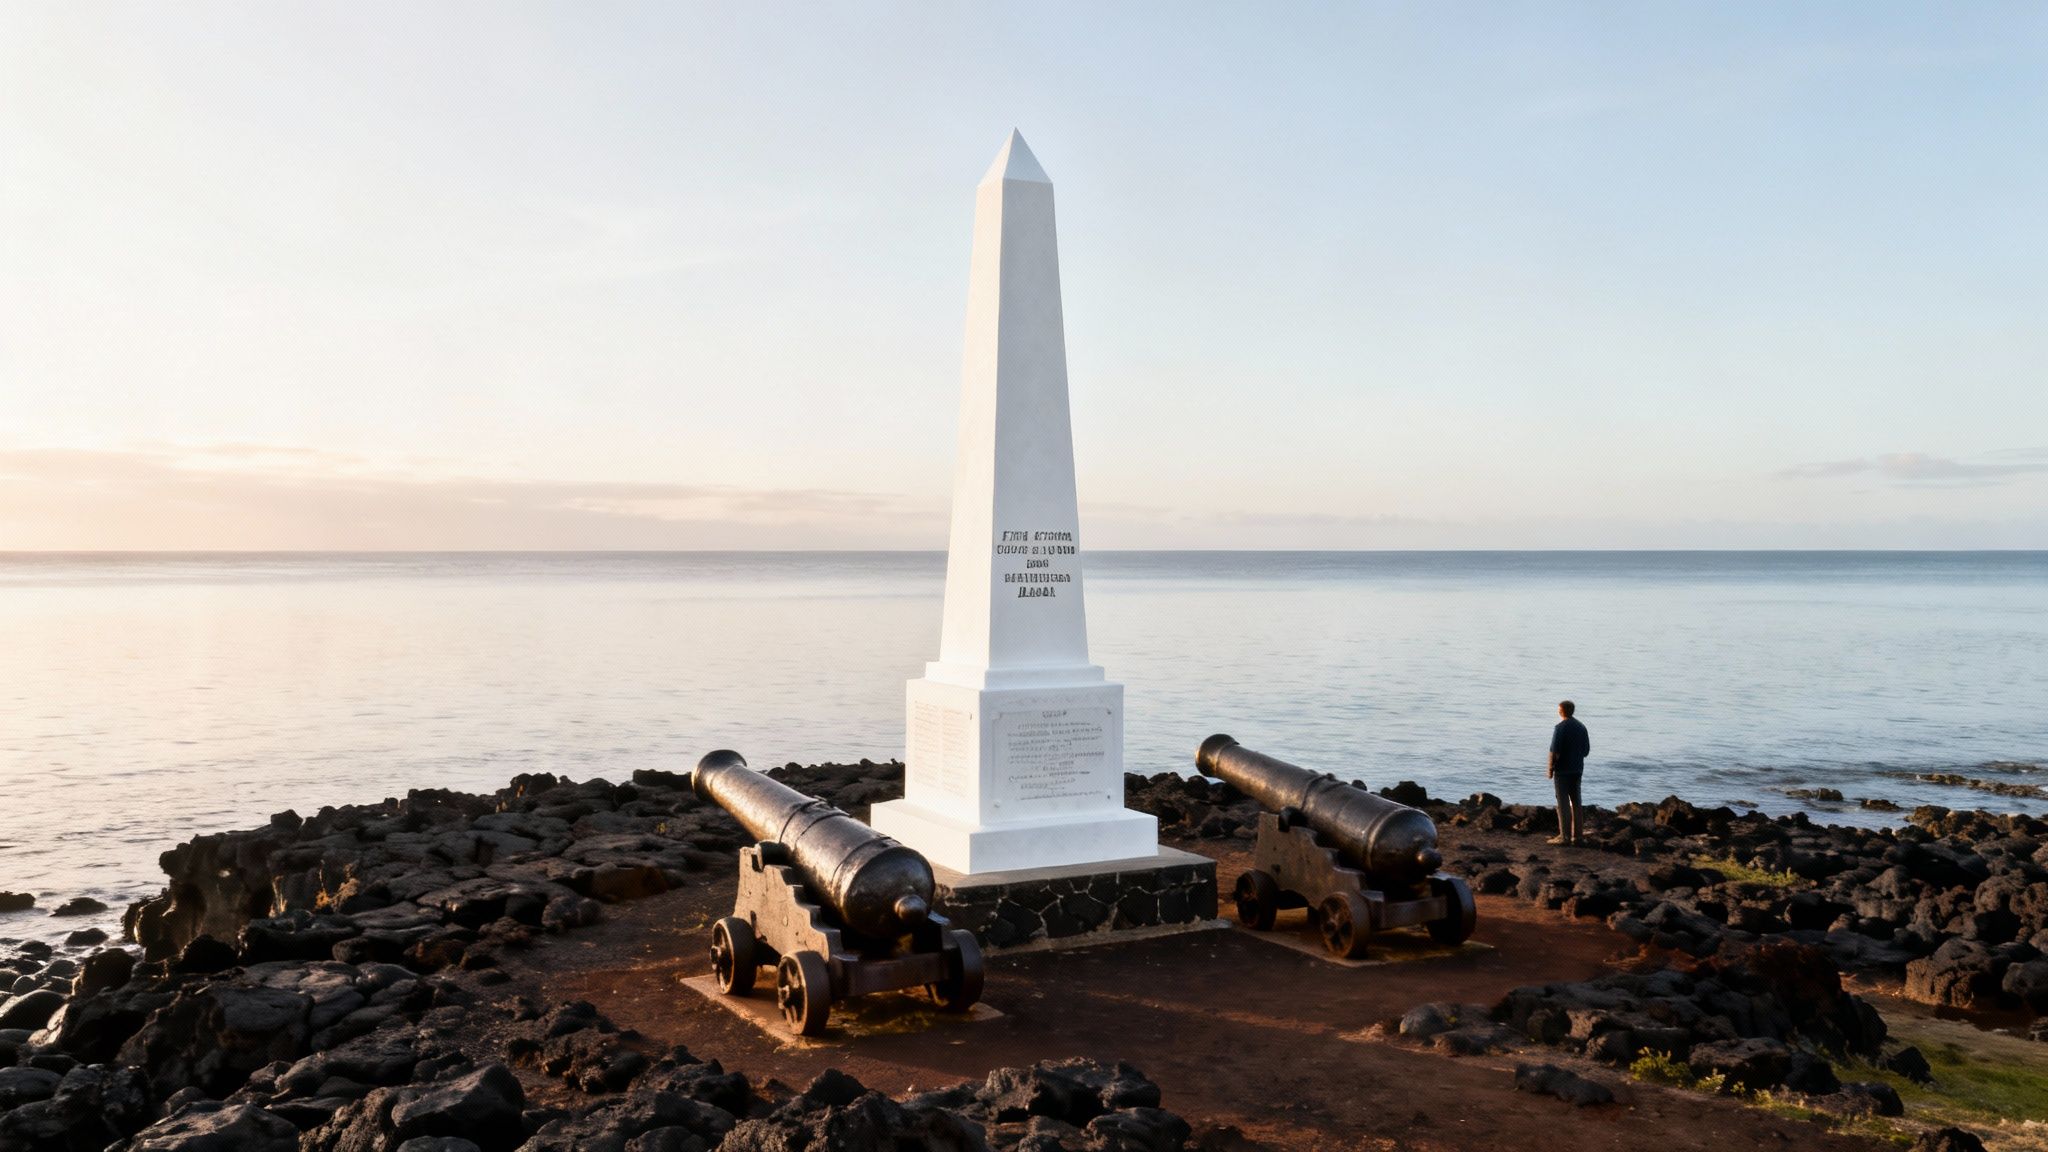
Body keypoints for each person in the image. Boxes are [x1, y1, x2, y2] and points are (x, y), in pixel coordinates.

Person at [1547, 700, 1590, 845]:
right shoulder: (1581, 727)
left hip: (1563, 770)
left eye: (1559, 709)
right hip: (1577, 769)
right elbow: (1586, 751)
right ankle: (1578, 837)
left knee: (1563, 803)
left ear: (1562, 711)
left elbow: (1554, 751)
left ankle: (1564, 837)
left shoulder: (1560, 728)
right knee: (1576, 802)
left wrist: (1550, 769)